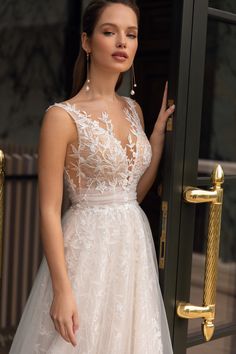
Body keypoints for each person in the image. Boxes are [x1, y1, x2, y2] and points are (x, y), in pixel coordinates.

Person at [9, 0, 175, 353]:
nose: (122, 42)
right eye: (109, 32)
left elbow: (133, 193)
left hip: (132, 250)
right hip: (87, 252)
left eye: (130, 34)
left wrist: (156, 141)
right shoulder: (61, 117)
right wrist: (62, 290)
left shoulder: (134, 110)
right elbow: (49, 211)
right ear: (87, 41)